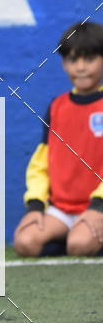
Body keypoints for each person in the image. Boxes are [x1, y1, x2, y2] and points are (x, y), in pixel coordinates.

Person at [14, 21, 103, 257]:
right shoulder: (57, 106)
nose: (81, 67)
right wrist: (35, 205)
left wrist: (98, 207)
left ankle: (83, 235)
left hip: (98, 207)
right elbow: (40, 163)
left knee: (80, 245)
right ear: (64, 63)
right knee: (25, 242)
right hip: (61, 209)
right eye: (73, 60)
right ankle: (70, 235)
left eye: (89, 59)